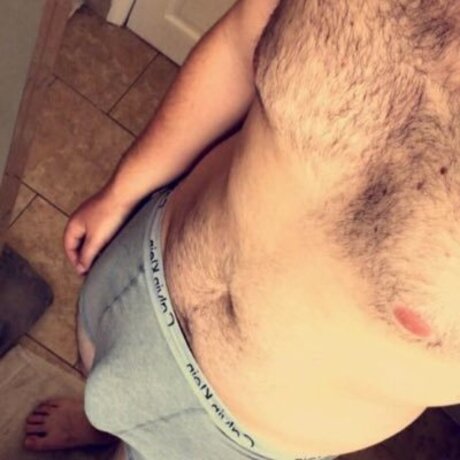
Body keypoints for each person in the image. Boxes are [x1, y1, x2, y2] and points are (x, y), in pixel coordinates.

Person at [23, 0, 460, 459]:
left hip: (241, 440)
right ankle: (100, 424)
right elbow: (241, 40)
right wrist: (122, 190)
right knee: (99, 379)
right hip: (145, 274)